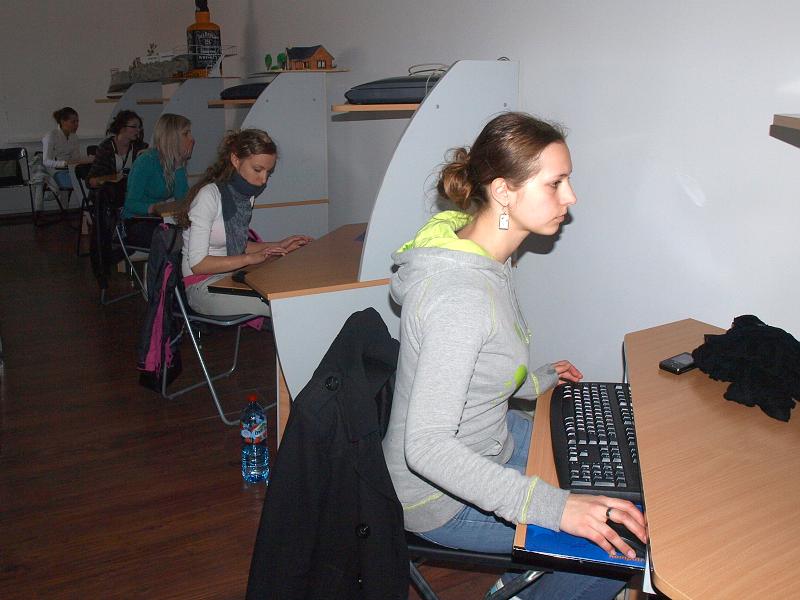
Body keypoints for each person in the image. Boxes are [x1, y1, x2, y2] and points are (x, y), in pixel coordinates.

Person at [382, 112, 648, 599]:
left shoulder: (479, 250)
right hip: (436, 496)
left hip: (489, 439)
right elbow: (427, 448)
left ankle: (520, 583)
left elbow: (482, 360)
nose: (571, 197)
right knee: (618, 547)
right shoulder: (459, 296)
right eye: (556, 183)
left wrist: (534, 379)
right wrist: (553, 508)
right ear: (503, 191)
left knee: (618, 483)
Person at [179, 129, 311, 318]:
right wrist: (250, 259)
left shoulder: (245, 196)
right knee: (285, 305)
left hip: (231, 275)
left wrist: (279, 245)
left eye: (268, 172)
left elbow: (236, 243)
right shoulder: (208, 196)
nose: (263, 180)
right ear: (235, 160)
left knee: (295, 288)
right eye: (258, 170)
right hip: (202, 286)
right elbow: (198, 265)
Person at [122, 113, 193, 247]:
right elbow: (130, 204)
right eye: (186, 133)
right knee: (175, 238)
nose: (191, 138)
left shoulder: (174, 162)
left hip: (158, 219)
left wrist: (179, 167)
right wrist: (153, 208)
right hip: (137, 221)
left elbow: (182, 200)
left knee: (191, 233)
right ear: (172, 137)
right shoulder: (146, 161)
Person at [39, 106, 93, 208]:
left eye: (77, 121)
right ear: (63, 122)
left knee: (91, 177)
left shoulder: (74, 137)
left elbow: (76, 158)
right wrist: (65, 163)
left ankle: (88, 209)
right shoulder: (51, 136)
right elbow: (46, 161)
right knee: (84, 182)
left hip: (69, 169)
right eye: (73, 122)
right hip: (54, 171)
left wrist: (88, 159)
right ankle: (86, 209)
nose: (76, 125)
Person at [87, 110, 148, 188]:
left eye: (139, 127)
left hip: (132, 191)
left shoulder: (141, 147)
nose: (138, 130)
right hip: (108, 192)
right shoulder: (106, 148)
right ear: (122, 127)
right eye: (134, 126)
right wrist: (106, 179)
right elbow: (91, 179)